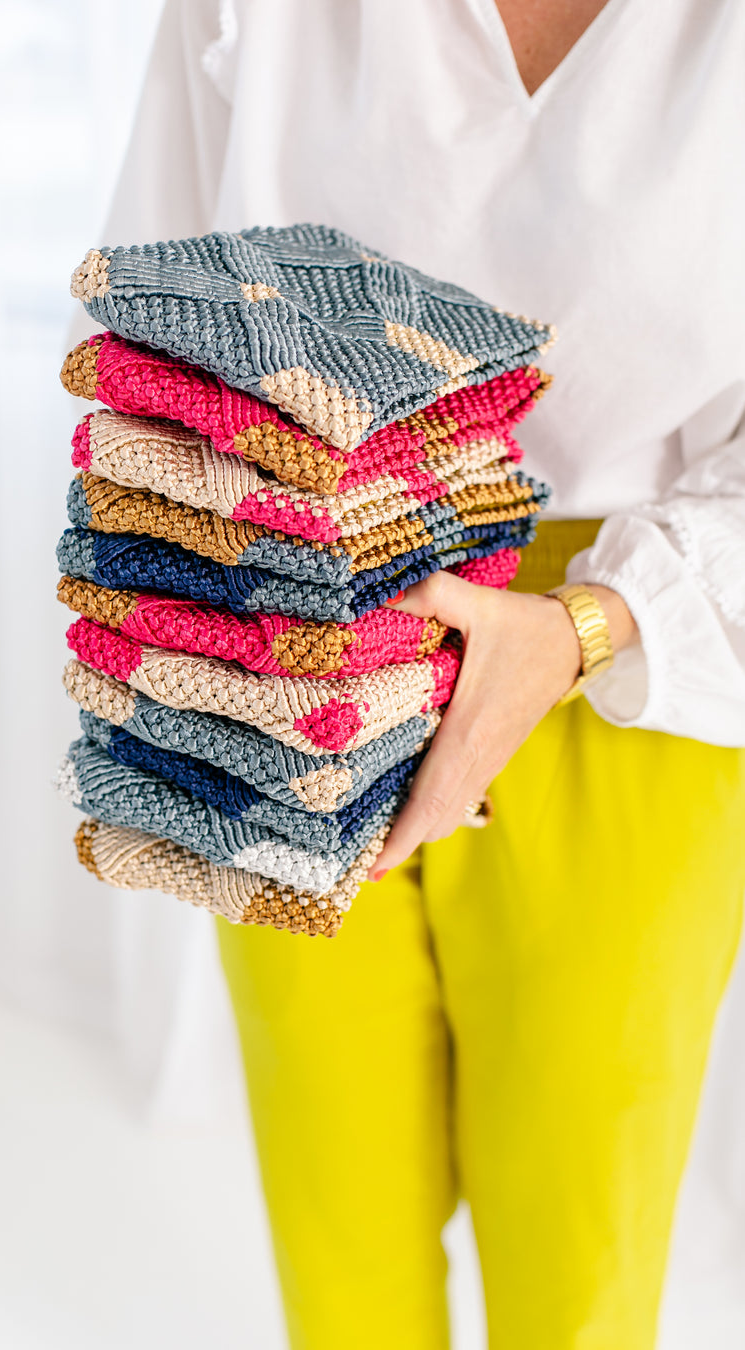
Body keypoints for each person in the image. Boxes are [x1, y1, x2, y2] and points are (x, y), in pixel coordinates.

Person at [100, 2, 745, 1345]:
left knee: (581, 1262)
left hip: (633, 655)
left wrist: (588, 623)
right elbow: (154, 317)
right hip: (286, 628)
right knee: (337, 1235)